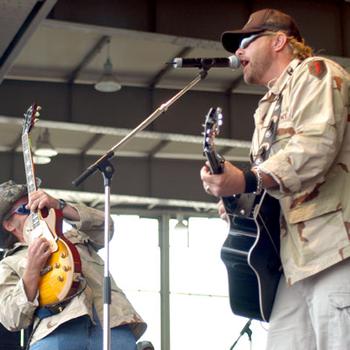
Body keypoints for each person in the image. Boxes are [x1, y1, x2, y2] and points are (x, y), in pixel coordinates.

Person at [200, 8, 350, 350]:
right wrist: (237, 201)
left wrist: (248, 180)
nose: (237, 53)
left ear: (279, 41)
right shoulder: (267, 106)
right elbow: (270, 189)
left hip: (334, 250)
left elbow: (315, 147)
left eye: (246, 42)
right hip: (294, 262)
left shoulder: (317, 73)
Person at [0, 180, 146, 350]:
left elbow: (105, 227)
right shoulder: (8, 263)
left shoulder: (71, 237)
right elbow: (11, 319)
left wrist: (59, 205)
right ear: (9, 225)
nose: (35, 211)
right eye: (26, 209)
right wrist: (32, 269)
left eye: (37, 205)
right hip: (55, 331)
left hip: (111, 324)